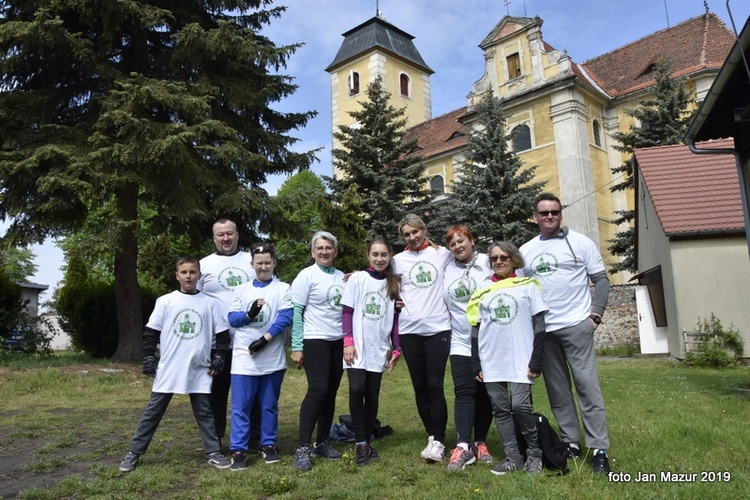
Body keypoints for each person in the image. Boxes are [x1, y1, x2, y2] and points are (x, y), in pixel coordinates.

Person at [519, 192, 612, 474]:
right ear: (535, 217)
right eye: (544, 213)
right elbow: (522, 291)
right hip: (545, 331)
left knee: (587, 387)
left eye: (555, 212)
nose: (550, 216)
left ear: (561, 214)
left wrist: (594, 316)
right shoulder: (526, 250)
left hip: (576, 326)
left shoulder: (579, 242)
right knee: (558, 392)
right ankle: (570, 442)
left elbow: (601, 280)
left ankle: (598, 448)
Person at [119, 256, 231, 473]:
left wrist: (219, 358)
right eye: (184, 272)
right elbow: (151, 333)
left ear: (199, 275)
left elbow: (223, 336)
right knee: (153, 412)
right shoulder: (165, 301)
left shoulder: (210, 303)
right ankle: (134, 453)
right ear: (176, 275)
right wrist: (149, 357)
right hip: (170, 368)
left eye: (192, 272)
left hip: (199, 368)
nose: (188, 276)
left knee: (205, 413)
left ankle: (213, 452)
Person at [467, 241, 547, 475]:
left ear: (513, 259)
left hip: (522, 356)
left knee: (520, 405)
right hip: (491, 357)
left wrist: (537, 359)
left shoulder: (529, 285)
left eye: (504, 257)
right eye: (494, 258)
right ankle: (513, 457)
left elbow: (540, 325)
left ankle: (534, 455)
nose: (499, 261)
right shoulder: (481, 290)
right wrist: (476, 361)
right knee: (500, 408)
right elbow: (475, 328)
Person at [226, 243, 292, 470]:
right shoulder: (242, 290)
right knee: (241, 407)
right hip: (244, 359)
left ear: (274, 263)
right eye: (259, 262)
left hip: (271, 359)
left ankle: (268, 445)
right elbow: (232, 319)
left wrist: (264, 340)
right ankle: (238, 450)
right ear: (252, 264)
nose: (263, 266)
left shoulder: (283, 288)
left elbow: (285, 318)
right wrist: (249, 314)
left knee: (268, 406)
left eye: (267, 262)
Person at [392, 214, 452, 462]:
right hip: (409, 330)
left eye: (415, 232)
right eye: (407, 234)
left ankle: (439, 439)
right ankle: (431, 434)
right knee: (419, 386)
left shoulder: (442, 254)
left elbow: (467, 260)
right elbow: (379, 280)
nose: (412, 237)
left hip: (438, 327)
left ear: (424, 229)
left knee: (434, 384)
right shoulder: (397, 260)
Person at [198, 218, 260, 449]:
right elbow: (197, 301)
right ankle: (215, 440)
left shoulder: (251, 262)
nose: (226, 238)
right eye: (220, 235)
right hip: (217, 342)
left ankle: (254, 438)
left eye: (230, 233)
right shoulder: (204, 265)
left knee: (250, 393)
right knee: (216, 393)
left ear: (237, 235)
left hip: (250, 339)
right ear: (214, 238)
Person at [341, 236, 402, 467]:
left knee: (372, 394)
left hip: (378, 348)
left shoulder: (393, 283)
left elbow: (395, 320)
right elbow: (347, 312)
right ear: (368, 255)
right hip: (357, 346)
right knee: (357, 390)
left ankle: (366, 442)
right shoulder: (357, 279)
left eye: (383, 255)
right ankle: (359, 444)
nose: (379, 259)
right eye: (375, 254)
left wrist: (397, 348)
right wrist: (348, 341)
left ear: (390, 257)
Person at [291, 231, 346, 471]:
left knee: (331, 392)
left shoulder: (342, 277)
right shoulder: (306, 275)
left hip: (338, 341)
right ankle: (302, 448)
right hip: (315, 339)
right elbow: (296, 311)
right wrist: (296, 346)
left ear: (335, 251)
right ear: (313, 252)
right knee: (318, 389)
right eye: (319, 248)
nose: (324, 252)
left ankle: (321, 442)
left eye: (329, 248)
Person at [442, 226, 494, 472]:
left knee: (485, 393)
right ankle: (463, 446)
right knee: (464, 391)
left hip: (491, 341)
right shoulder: (446, 267)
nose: (457, 247)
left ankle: (480, 442)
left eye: (461, 241)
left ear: (473, 240)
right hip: (460, 340)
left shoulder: (488, 261)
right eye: (452, 244)